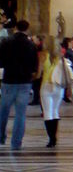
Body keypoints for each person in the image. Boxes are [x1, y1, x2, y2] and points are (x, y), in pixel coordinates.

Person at [0, 19, 40, 149]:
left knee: (3, 111)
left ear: (16, 28)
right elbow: (35, 66)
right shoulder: (31, 45)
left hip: (9, 80)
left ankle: (1, 137)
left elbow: (1, 61)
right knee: (20, 114)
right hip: (24, 82)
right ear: (27, 29)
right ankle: (16, 143)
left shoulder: (7, 42)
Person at [40, 35, 73, 147]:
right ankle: (54, 138)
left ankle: (51, 139)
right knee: (55, 111)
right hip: (58, 87)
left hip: (46, 86)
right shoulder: (60, 57)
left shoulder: (43, 55)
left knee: (47, 112)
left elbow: (39, 72)